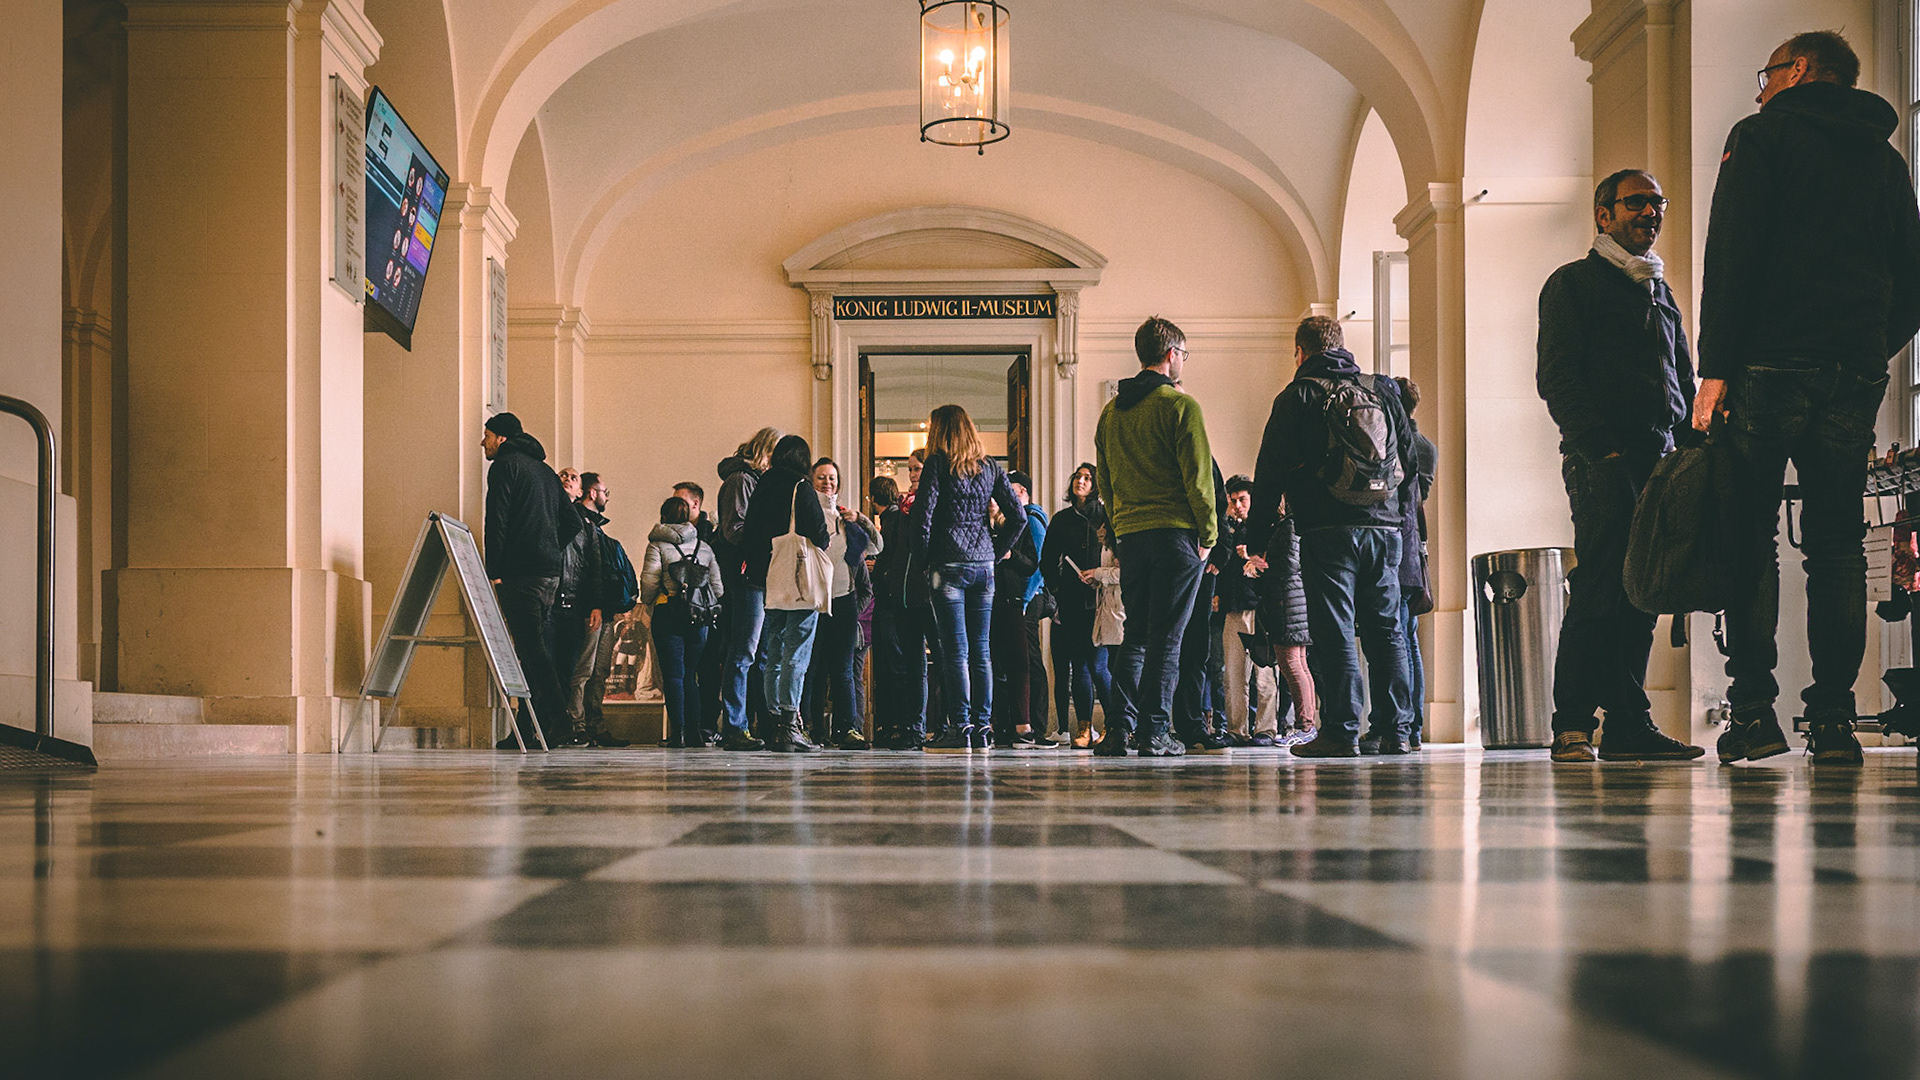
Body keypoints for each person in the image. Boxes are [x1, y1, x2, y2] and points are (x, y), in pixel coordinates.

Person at [1694, 30, 1920, 766]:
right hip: (1851, 373)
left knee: (1751, 538)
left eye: (1766, 75)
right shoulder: (1885, 159)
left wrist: (1715, 369)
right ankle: (1832, 721)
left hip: (1767, 365)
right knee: (1837, 546)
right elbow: (1913, 277)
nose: (1761, 89)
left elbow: (1731, 254)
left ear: (1797, 70)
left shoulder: (1761, 137)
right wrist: (1867, 347)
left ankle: (1754, 713)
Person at [1537, 168, 1705, 763]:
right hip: (1604, 461)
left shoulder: (1659, 291)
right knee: (1602, 588)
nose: (1651, 213)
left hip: (1661, 460)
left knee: (1644, 593)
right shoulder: (1573, 284)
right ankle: (1572, 725)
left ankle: (1629, 725)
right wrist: (1600, 448)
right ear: (1603, 214)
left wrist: (1692, 449)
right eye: (1637, 203)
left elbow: (1681, 377)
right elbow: (1557, 376)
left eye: (1658, 203)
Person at [1249, 316, 1415, 757]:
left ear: (1300, 352)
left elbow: (1269, 472)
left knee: (1335, 628)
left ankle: (1341, 732)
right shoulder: (1382, 390)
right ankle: (1395, 731)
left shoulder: (1297, 396)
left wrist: (1258, 538)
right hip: (1384, 527)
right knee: (1386, 628)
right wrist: (1397, 518)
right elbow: (1410, 460)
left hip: (1327, 529)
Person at [1094, 316, 1219, 757]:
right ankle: (1155, 731)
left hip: (1132, 537)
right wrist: (1209, 536)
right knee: (1167, 638)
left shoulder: (1111, 413)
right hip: (1176, 536)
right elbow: (1199, 481)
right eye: (1183, 354)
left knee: (1136, 637)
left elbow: (1104, 482)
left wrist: (1120, 529)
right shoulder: (1180, 406)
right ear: (1171, 354)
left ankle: (1118, 730)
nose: (1183, 361)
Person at [909, 404, 1026, 752]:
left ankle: (961, 727)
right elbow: (1018, 517)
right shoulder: (990, 467)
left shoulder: (937, 464)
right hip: (983, 568)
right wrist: (994, 552)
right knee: (981, 650)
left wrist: (923, 560)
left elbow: (922, 517)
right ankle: (983, 727)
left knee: (954, 651)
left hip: (947, 564)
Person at [480, 412, 580, 748]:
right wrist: (548, 547)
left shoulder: (504, 466)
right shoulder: (546, 472)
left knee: (532, 652)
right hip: (549, 574)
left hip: (520, 573)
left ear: (502, 438)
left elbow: (497, 519)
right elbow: (572, 522)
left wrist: (494, 570)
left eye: (487, 436)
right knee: (535, 651)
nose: (483, 442)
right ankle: (526, 729)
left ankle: (560, 720)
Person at [1362, 378, 1438, 754]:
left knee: (1394, 639)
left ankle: (1396, 723)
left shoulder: (1390, 441)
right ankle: (1413, 726)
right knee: (1408, 640)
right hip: (1412, 548)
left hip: (1395, 544)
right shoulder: (1427, 446)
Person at [742, 434, 830, 752]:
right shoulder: (800, 487)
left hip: (771, 579)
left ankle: (775, 723)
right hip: (799, 581)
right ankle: (791, 723)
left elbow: (749, 534)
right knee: (797, 651)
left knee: (773, 653)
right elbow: (820, 535)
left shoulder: (762, 486)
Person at [801, 458, 880, 749]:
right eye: (821, 477)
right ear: (812, 481)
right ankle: (812, 728)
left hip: (844, 600)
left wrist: (861, 519)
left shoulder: (845, 519)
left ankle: (847, 729)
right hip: (814, 601)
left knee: (844, 669)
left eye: (832, 477)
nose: (827, 482)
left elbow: (877, 545)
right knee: (813, 669)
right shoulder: (804, 516)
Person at [715, 428, 783, 751]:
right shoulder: (741, 480)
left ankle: (764, 724)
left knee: (763, 655)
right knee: (743, 652)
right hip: (746, 576)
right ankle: (734, 726)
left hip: (762, 575)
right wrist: (770, 541)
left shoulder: (759, 482)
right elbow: (734, 529)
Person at [640, 495, 724, 747]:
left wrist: (649, 602)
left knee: (673, 675)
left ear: (663, 516)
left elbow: (649, 582)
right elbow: (718, 588)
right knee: (690, 674)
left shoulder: (657, 546)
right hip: (698, 617)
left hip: (668, 612)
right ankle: (695, 732)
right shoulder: (704, 547)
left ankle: (678, 733)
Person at [560, 473, 632, 748]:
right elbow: (586, 569)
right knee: (583, 670)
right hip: (587, 608)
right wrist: (594, 604)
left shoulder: (595, 527)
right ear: (591, 493)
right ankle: (576, 725)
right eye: (605, 491)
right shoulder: (575, 521)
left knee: (599, 671)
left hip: (603, 608)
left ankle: (594, 725)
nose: (607, 497)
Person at [1042, 463, 1110, 749]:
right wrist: (1058, 589)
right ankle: (1084, 726)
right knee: (1079, 665)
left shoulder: (1106, 516)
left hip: (1101, 601)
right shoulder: (1061, 520)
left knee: (1099, 666)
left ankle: (1113, 725)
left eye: (1087, 478)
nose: (1080, 481)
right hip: (1071, 601)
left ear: (1095, 485)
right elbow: (1047, 561)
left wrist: (1100, 576)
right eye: (1078, 477)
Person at [1215, 475, 1281, 746]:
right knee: (1233, 675)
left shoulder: (1267, 529)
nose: (1237, 505)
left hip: (1260, 608)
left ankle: (1266, 729)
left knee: (1263, 674)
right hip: (1232, 608)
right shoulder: (1228, 530)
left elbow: (1277, 566)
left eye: (1242, 499)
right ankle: (1236, 729)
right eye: (1233, 500)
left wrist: (1251, 557)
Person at [989, 471, 1050, 748]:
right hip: (1005, 599)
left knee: (1027, 662)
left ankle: (1034, 726)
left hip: (1024, 598)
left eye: (1009, 489)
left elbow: (1038, 565)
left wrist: (1024, 600)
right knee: (1008, 662)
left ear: (1022, 491)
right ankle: (1008, 723)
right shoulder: (1002, 521)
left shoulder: (1030, 519)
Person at [868, 475, 928, 749]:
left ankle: (905, 725)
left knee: (900, 665)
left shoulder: (896, 519)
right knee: (907, 664)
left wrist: (881, 573)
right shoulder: (900, 515)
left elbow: (890, 556)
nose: (914, 476)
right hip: (901, 597)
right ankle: (908, 725)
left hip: (901, 599)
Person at [674, 481, 716, 547]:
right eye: (673, 501)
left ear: (695, 504)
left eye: (680, 502)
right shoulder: (670, 530)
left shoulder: (712, 534)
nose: (675, 506)